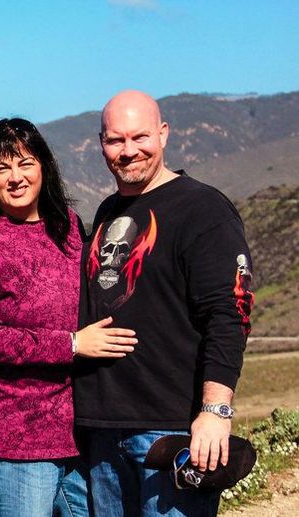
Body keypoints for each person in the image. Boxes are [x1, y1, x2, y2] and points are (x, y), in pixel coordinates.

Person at [0, 117, 138, 516]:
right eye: (2, 168)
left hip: (74, 430)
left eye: (25, 163)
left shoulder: (65, 227)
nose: (15, 177)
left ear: (43, 167)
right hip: (10, 433)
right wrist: (73, 344)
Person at [73, 90, 254, 516]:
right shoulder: (107, 211)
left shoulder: (203, 208)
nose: (128, 151)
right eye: (115, 140)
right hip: (103, 432)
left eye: (140, 137)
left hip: (169, 432)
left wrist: (215, 412)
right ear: (101, 143)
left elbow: (229, 315)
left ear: (164, 134)